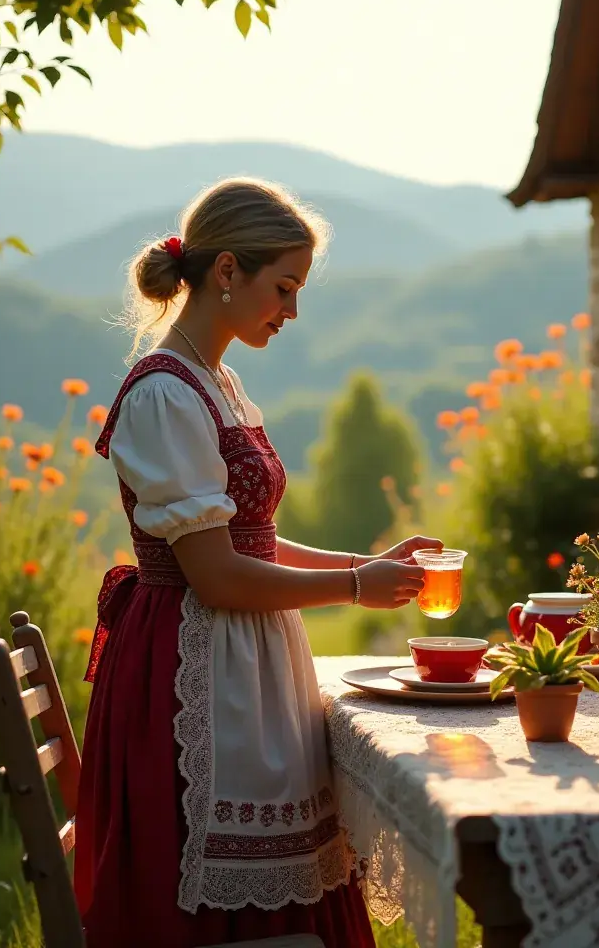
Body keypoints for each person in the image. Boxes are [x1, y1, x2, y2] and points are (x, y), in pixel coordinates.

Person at [74, 177, 440, 947]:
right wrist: (352, 586)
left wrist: (366, 564)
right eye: (284, 286)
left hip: (240, 649)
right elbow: (216, 576)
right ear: (228, 271)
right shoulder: (164, 396)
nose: (292, 311)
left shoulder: (219, 382)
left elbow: (251, 540)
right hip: (192, 669)